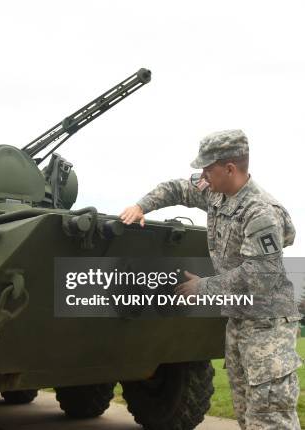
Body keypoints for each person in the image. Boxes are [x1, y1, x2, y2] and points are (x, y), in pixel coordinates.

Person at [120, 129, 301, 429]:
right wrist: (142, 206)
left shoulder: (261, 212)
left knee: (271, 419)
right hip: (239, 320)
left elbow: (259, 276)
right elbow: (177, 188)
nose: (201, 173)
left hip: (267, 328)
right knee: (247, 416)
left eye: (207, 167)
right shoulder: (215, 191)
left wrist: (201, 287)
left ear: (229, 168)